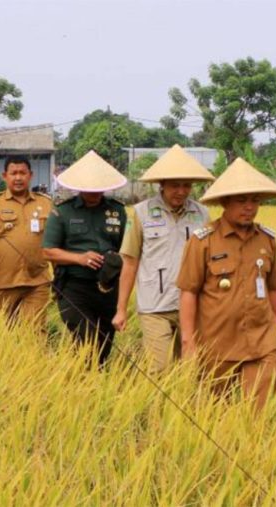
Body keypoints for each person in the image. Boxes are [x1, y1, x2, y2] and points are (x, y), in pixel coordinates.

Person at [177, 157, 276, 411]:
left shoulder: (266, 240)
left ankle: (258, 449)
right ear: (225, 202)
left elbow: (273, 288)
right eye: (241, 201)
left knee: (258, 414)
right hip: (218, 346)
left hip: (262, 342)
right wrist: (188, 342)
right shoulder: (203, 240)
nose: (249, 207)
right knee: (217, 414)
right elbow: (188, 291)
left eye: (255, 200)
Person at [112, 145, 214, 372]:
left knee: (191, 368)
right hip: (154, 305)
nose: (181, 191)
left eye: (186, 185)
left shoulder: (201, 214)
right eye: (175, 185)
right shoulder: (141, 213)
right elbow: (130, 262)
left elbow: (210, 262)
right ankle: (157, 407)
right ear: (162, 185)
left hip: (192, 304)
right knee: (159, 369)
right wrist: (121, 309)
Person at [42, 150, 128, 366]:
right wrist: (80, 259)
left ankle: (91, 381)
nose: (94, 191)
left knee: (105, 341)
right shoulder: (63, 212)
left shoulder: (117, 211)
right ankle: (82, 380)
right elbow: (48, 251)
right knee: (86, 338)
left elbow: (128, 250)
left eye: (98, 186)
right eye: (89, 187)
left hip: (108, 287)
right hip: (74, 287)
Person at [0, 156, 53, 325]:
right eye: (13, 173)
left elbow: (55, 241)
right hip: (2, 282)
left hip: (37, 281)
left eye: (22, 173)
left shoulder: (45, 203)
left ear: (30, 175)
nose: (18, 178)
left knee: (35, 331)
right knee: (1, 333)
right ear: (4, 176)